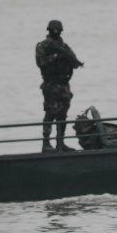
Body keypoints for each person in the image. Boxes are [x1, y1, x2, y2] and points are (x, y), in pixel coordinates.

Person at [35, 20, 84, 152]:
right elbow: (41, 63)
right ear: (49, 30)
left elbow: (74, 62)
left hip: (64, 84)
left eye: (58, 30)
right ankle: (46, 144)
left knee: (63, 115)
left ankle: (60, 143)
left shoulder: (64, 46)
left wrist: (69, 58)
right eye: (54, 30)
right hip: (51, 84)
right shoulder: (43, 46)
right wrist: (56, 56)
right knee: (50, 113)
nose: (56, 32)